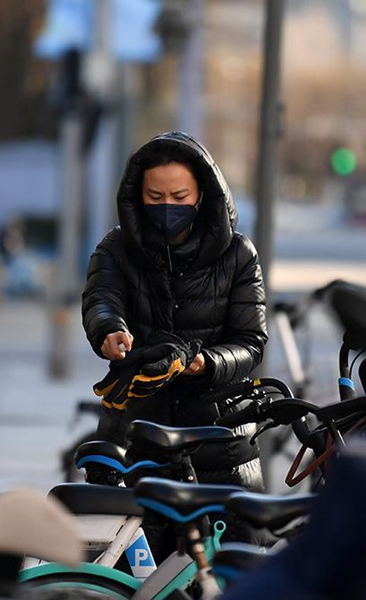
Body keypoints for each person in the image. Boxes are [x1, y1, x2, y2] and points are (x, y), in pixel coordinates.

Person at [81, 131, 268, 537]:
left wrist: (206, 363)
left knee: (227, 566)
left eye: (180, 198)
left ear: (202, 195)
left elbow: (252, 341)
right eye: (156, 198)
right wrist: (109, 332)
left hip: (221, 440)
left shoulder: (239, 254)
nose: (168, 208)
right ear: (137, 196)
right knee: (138, 572)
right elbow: (101, 299)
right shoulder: (115, 248)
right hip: (136, 435)